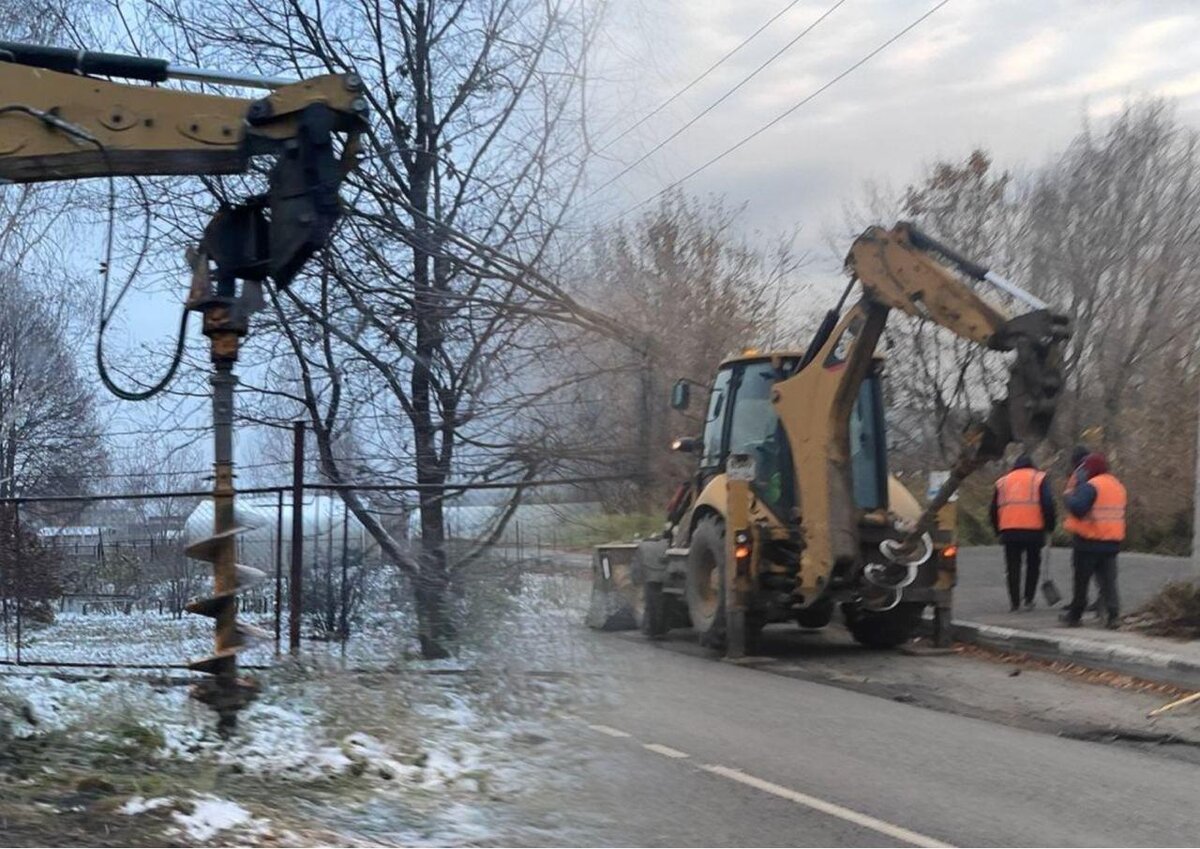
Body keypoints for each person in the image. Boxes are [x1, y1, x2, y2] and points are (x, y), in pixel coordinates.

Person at [1060, 452, 1126, 630]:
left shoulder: (1091, 486)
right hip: (1111, 543)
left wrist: (1067, 497)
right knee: (1108, 582)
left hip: (1088, 542)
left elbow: (1078, 509)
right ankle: (1113, 616)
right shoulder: (1117, 486)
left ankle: (1075, 615)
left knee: (1081, 581)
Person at [990, 454, 1056, 612]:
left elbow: (993, 509)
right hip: (1034, 530)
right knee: (1033, 565)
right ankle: (1028, 599)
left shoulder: (1003, 482)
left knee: (1013, 567)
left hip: (1009, 530)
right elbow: (1047, 504)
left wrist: (997, 530)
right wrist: (1050, 526)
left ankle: (1014, 602)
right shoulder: (1039, 479)